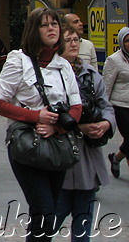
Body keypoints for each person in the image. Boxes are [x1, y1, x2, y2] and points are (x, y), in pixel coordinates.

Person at [0, 7, 82, 240]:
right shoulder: (18, 60)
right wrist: (35, 116)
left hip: (57, 145)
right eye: (45, 25)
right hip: (26, 144)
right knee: (44, 211)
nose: (51, 29)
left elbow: (76, 106)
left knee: (47, 211)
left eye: (55, 24)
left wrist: (57, 126)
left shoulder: (64, 65)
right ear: (34, 30)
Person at [56, 25, 115, 242]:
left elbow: (105, 105)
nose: (73, 43)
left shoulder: (90, 73)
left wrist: (106, 124)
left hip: (88, 156)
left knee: (84, 219)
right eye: (68, 39)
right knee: (52, 217)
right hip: (60, 153)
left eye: (77, 39)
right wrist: (79, 128)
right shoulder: (52, 74)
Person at [104, 26, 129, 178]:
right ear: (121, 42)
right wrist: (105, 111)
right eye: (127, 40)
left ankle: (116, 158)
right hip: (121, 106)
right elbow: (106, 87)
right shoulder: (113, 60)